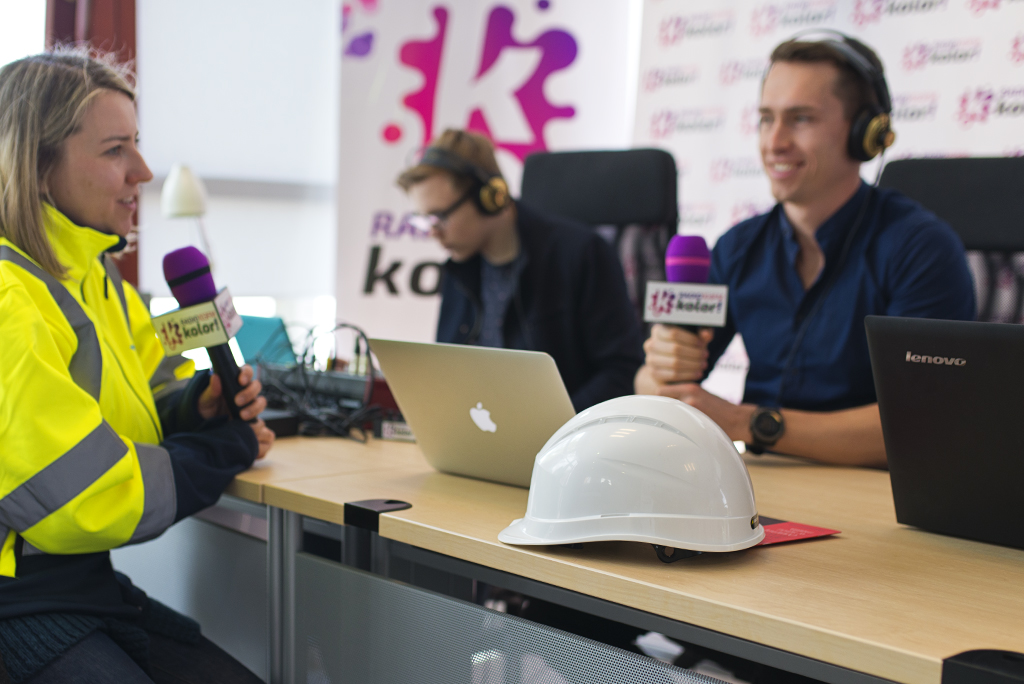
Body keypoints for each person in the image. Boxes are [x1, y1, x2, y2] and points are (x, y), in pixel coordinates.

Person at [0, 49, 274, 683]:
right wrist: (224, 448)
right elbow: (84, 496)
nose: (143, 172)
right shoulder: (10, 299)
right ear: (38, 167)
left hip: (79, 586)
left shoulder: (100, 283)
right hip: (19, 601)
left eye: (138, 144)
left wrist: (195, 406)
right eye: (115, 150)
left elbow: (139, 404)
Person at [635, 32, 976, 468]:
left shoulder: (921, 249)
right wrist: (660, 366)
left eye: (800, 119)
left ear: (865, 133)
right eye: (766, 118)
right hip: (759, 479)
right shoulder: (738, 247)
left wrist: (746, 423)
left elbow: (922, 421)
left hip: (872, 488)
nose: (774, 142)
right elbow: (652, 385)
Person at [397, 129, 644, 412]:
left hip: (565, 436)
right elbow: (445, 372)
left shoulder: (581, 254)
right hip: (483, 431)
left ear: (490, 197)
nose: (433, 233)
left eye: (439, 217)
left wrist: (557, 428)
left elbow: (622, 372)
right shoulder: (460, 268)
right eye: (424, 221)